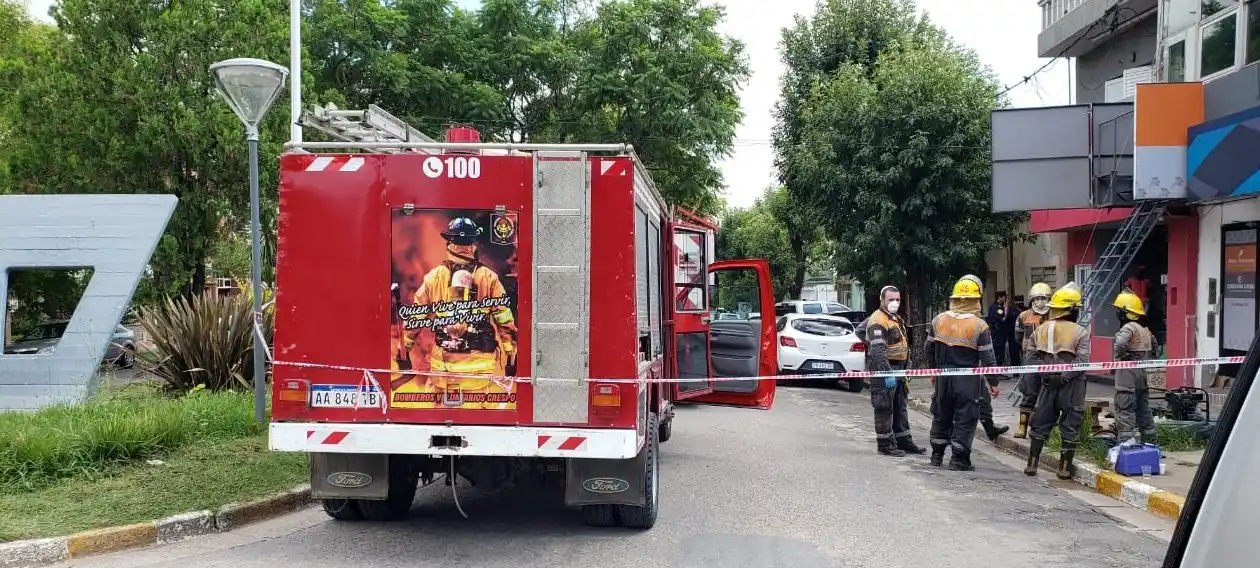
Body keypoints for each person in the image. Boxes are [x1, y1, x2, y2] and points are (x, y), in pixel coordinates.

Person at [399, 217, 518, 409]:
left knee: (439, 420)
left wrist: (403, 351)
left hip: (442, 375)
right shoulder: (489, 278)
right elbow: (504, 321)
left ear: (449, 244)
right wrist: (511, 357)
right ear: (473, 245)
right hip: (478, 377)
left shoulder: (433, 277)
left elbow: (415, 320)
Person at [926, 274, 1001, 471]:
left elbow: (928, 349)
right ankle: (959, 459)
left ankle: (936, 455)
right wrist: (993, 383)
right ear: (976, 300)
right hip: (967, 380)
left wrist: (933, 371)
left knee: (941, 413)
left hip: (943, 378)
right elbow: (988, 358)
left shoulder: (938, 320)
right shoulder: (979, 325)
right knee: (965, 416)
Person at [1024, 282, 1090, 479]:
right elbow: (1082, 361)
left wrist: (1046, 375)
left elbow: (1030, 356)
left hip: (1047, 384)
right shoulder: (1080, 332)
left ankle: (1032, 465)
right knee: (1071, 424)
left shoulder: (1042, 329)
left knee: (1040, 422)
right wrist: (1064, 378)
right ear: (1071, 309)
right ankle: (1064, 469)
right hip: (1073, 385)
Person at [856, 286, 925, 457]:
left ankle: (903, 440)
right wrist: (887, 373)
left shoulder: (895, 318)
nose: (895, 303)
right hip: (885, 368)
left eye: (898, 299)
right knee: (884, 406)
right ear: (882, 300)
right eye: (891, 300)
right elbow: (878, 352)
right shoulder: (878, 320)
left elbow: (860, 330)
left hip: (899, 368)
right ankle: (885, 444)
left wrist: (906, 367)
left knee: (900, 406)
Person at [1113, 290, 1159, 442]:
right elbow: (1156, 348)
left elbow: (1120, 344)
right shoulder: (1145, 330)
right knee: (1143, 411)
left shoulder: (1128, 328)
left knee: (1125, 411)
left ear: (1125, 312)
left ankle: (1125, 447)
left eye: (1119, 310)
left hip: (1127, 379)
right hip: (1142, 378)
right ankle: (1151, 444)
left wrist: (1123, 356)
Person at [1013, 282, 1053, 438]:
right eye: (1037, 298)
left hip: (1049, 356)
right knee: (1029, 392)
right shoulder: (1023, 316)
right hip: (1030, 356)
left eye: (1044, 298)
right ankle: (1022, 427)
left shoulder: (1054, 314)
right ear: (1032, 300)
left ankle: (1041, 428)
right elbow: (1017, 337)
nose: (1041, 301)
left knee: (1048, 392)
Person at [986, 290, 1009, 366]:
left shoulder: (996, 306)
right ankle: (998, 372)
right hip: (997, 334)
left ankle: (999, 371)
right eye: (1004, 297)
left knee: (1000, 352)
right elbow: (1002, 319)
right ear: (1000, 297)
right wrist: (1005, 312)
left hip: (999, 334)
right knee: (999, 353)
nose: (1005, 299)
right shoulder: (996, 308)